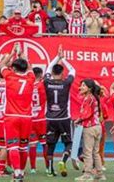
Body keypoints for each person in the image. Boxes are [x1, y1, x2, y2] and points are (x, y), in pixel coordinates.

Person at [0, 51, 35, 181]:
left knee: (13, 146)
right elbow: (30, 68)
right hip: (26, 117)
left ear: (13, 68)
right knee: (23, 146)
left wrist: (13, 53)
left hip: (11, 116)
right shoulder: (30, 78)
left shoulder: (9, 76)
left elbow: (2, 64)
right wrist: (24, 57)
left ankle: (17, 173)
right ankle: (21, 172)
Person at [44, 45, 76, 177]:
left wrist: (57, 56)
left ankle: (50, 170)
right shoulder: (66, 82)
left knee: (50, 144)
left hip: (50, 118)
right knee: (68, 143)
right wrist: (63, 59)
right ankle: (63, 160)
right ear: (62, 73)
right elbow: (73, 70)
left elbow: (48, 67)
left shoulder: (46, 81)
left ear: (52, 73)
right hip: (64, 119)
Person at [75, 79, 106, 181]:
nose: (81, 87)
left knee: (87, 152)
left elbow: (87, 114)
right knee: (96, 152)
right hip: (97, 127)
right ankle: (100, 174)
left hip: (90, 127)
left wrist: (78, 120)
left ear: (89, 88)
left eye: (83, 85)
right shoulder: (94, 97)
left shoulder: (88, 98)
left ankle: (87, 174)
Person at [27, 67, 47, 174]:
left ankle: (33, 168)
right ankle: (48, 168)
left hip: (31, 119)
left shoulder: (27, 85)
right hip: (41, 118)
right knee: (45, 144)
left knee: (32, 145)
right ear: (40, 75)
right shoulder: (42, 85)